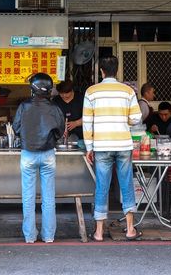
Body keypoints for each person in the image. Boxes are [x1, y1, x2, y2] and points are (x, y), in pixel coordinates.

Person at [83, 56, 143, 242]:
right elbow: (136, 118)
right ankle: (130, 229)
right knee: (126, 184)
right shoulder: (127, 91)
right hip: (123, 145)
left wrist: (89, 147)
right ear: (116, 71)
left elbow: (87, 122)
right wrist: (122, 119)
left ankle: (99, 232)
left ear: (101, 71)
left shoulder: (91, 91)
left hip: (101, 146)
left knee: (102, 185)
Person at [13, 73, 65, 243]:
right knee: (48, 197)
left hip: (28, 154)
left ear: (32, 89)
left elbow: (16, 128)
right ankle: (49, 236)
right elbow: (60, 131)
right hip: (48, 154)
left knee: (28, 197)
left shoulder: (23, 106)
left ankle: (29, 236)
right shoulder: (55, 108)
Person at [52, 79, 84, 144]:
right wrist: (59, 128)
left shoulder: (81, 99)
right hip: (61, 136)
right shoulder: (55, 101)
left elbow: (89, 116)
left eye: (66, 93)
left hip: (80, 137)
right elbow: (52, 118)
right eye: (61, 93)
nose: (64, 96)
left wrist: (76, 123)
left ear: (72, 90)